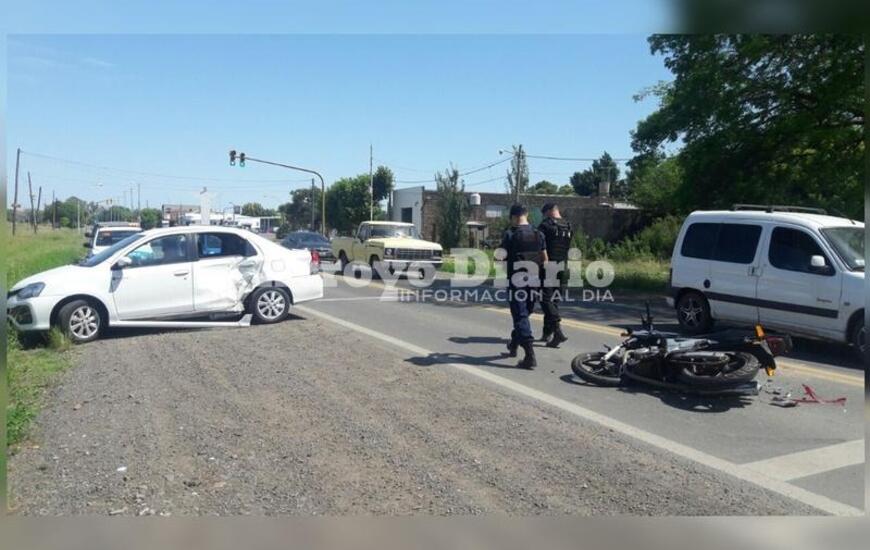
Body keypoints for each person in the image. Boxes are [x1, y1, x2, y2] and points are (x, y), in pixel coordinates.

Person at [500, 204, 548, 369]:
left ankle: (530, 356)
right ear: (526, 215)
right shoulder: (538, 234)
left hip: (517, 281)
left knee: (520, 316)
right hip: (534, 280)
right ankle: (513, 345)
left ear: (513, 217)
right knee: (524, 314)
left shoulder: (510, 234)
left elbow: (500, 258)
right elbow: (545, 259)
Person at [537, 203, 573, 347]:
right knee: (554, 300)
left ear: (549, 212)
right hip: (562, 266)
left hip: (547, 265)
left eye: (545, 213)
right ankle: (547, 333)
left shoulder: (545, 226)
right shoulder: (569, 226)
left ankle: (557, 330)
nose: (544, 216)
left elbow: (538, 246)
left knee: (545, 299)